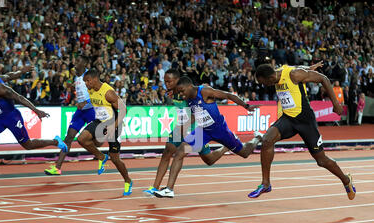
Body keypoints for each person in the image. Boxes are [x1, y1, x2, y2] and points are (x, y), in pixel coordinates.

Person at [249, 63, 355, 200]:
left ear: (270, 77)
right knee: (267, 140)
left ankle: (346, 180)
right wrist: (309, 67)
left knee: (321, 160)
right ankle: (266, 183)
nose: (265, 86)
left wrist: (335, 104)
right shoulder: (281, 72)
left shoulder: (294, 75)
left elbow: (324, 79)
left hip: (305, 121)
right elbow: (297, 66)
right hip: (288, 118)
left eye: (264, 83)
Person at [154, 76, 263, 198]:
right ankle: (169, 189)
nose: (181, 94)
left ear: (189, 86)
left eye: (182, 91)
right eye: (179, 92)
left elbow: (228, 95)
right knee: (180, 152)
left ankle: (257, 138)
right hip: (203, 131)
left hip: (220, 130)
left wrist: (246, 106)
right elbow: (195, 116)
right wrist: (182, 128)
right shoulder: (189, 99)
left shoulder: (205, 91)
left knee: (244, 153)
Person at [0, 66, 68, 184]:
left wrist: (36, 110)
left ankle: (56, 141)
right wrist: (21, 72)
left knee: (28, 145)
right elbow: (10, 75)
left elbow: (19, 98)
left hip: (12, 118)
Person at [143, 69, 228, 197]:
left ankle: (226, 147)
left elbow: (197, 110)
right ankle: (155, 187)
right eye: (165, 81)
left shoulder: (189, 93)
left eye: (169, 81)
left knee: (209, 159)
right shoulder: (171, 92)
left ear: (178, 80)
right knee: (167, 152)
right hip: (180, 127)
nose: (166, 84)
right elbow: (158, 89)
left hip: (196, 128)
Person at [77, 68, 133, 196]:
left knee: (115, 159)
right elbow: (94, 98)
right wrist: (84, 103)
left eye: (87, 81)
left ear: (95, 79)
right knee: (82, 139)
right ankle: (101, 156)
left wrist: (113, 126)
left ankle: (127, 180)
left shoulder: (109, 92)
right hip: (100, 122)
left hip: (113, 123)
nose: (86, 84)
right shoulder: (91, 89)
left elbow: (124, 110)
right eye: (85, 81)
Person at [44, 55, 96, 175]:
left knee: (96, 139)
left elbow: (97, 94)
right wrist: (71, 87)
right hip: (80, 112)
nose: (75, 63)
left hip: (92, 110)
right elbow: (79, 88)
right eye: (75, 60)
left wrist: (85, 102)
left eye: (77, 61)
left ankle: (102, 156)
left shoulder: (91, 77)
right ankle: (57, 168)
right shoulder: (77, 77)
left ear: (84, 64)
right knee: (69, 137)